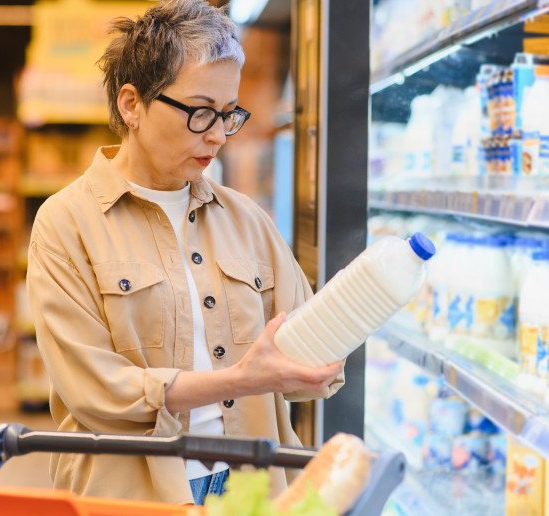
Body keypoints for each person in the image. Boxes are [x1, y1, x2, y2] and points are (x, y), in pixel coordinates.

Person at [26, 0, 345, 506]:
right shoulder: (67, 225)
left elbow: (313, 361)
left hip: (253, 486)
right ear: (132, 105)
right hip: (134, 493)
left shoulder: (247, 221)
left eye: (228, 114)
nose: (218, 135)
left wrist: (349, 316)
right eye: (200, 113)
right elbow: (97, 391)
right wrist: (241, 379)